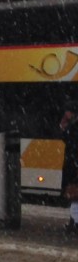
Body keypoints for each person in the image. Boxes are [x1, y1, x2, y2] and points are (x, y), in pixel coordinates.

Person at [61, 100, 78, 236]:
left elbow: (69, 140)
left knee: (74, 197)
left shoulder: (73, 126)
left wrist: (64, 128)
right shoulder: (73, 125)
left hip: (74, 166)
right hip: (73, 165)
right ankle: (73, 224)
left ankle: (74, 224)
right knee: (74, 197)